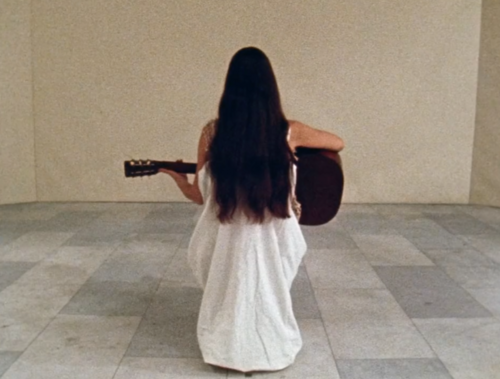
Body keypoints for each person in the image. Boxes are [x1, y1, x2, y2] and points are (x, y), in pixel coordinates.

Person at [160, 47, 344, 373]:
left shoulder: (212, 134)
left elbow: (201, 196)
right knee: (265, 287)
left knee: (230, 287)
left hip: (224, 241)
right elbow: (337, 142)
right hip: (274, 239)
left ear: (229, 89)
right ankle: (266, 345)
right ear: (270, 89)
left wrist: (180, 180)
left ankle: (228, 348)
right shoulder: (290, 131)